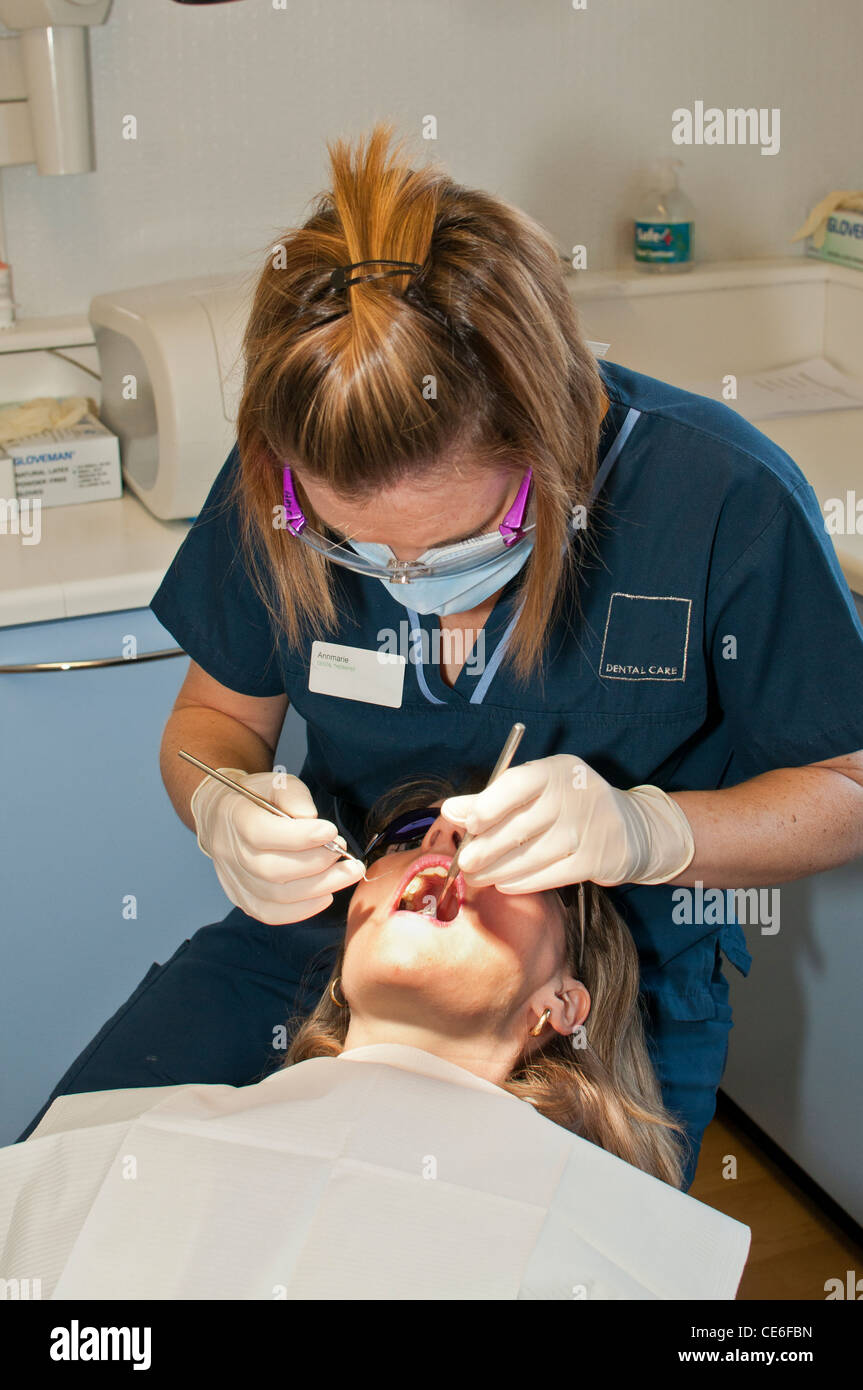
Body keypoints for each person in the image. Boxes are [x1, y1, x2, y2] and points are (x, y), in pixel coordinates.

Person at [17, 124, 863, 1194]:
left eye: (458, 543)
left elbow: (845, 785)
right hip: (319, 941)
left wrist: (647, 831)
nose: (400, 575)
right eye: (346, 545)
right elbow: (214, 723)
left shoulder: (718, 500)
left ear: (555, 443)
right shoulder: (288, 465)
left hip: (622, 963)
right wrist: (222, 803)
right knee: (73, 1201)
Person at [0, 790, 751, 1300]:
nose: (444, 841)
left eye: (513, 860)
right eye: (408, 840)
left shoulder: (611, 1238)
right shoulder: (127, 1139)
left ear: (559, 1003)